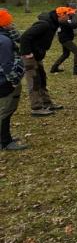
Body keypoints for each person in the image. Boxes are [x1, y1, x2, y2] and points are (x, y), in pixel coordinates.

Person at [19, 6, 73, 116]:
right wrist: (27, 53)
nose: (69, 18)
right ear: (60, 15)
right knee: (34, 81)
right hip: (30, 57)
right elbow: (25, 37)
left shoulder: (55, 23)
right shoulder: (44, 24)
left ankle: (47, 103)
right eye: (68, 15)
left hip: (37, 55)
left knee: (42, 79)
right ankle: (36, 108)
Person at [0, 9, 26, 150]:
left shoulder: (4, 37)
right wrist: (14, 80)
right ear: (4, 24)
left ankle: (5, 137)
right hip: (5, 81)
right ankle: (5, 141)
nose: (12, 23)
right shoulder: (4, 41)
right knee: (6, 110)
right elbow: (6, 65)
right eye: (10, 21)